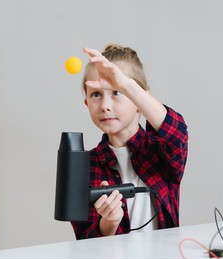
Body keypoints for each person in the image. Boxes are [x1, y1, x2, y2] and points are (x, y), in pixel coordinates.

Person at [71, 44, 188, 239]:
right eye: (96, 94)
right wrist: (108, 223)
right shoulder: (83, 167)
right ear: (86, 103)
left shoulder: (160, 151)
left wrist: (126, 85)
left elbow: (176, 131)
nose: (105, 106)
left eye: (116, 93)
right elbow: (84, 238)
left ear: (140, 100)